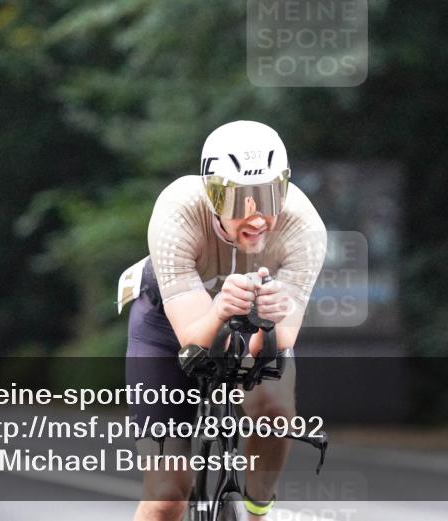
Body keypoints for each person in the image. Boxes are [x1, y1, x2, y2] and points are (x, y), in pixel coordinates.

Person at [122, 121, 327, 521]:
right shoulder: (177, 212)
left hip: (255, 326)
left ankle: (257, 509)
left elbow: (276, 346)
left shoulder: (305, 228)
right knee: (166, 496)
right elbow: (192, 342)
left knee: (274, 407)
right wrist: (218, 311)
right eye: (238, 202)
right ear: (212, 196)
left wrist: (266, 320)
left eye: (268, 197)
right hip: (168, 328)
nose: (255, 218)